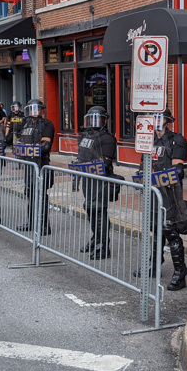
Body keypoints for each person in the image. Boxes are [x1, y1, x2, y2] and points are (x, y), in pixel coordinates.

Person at [149, 108, 187, 290]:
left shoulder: (177, 140)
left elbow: (178, 171)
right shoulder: (149, 140)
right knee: (154, 228)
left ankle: (180, 271)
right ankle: (153, 265)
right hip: (153, 191)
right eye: (155, 118)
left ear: (168, 121)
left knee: (170, 230)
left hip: (170, 193)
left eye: (160, 118)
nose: (158, 122)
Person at [75, 106, 117, 260]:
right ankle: (95, 239)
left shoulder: (107, 138)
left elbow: (105, 162)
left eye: (97, 119)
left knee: (99, 210)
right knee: (90, 208)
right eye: (91, 119)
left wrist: (89, 163)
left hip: (101, 179)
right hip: (88, 177)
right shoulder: (86, 136)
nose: (94, 122)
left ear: (104, 121)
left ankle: (103, 245)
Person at [16, 99, 55, 234]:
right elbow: (20, 141)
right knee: (30, 193)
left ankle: (44, 225)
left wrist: (29, 148)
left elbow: (46, 146)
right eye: (32, 109)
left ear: (41, 110)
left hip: (40, 163)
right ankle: (31, 222)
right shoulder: (25, 124)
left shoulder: (47, 124)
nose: (34, 112)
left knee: (40, 194)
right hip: (28, 164)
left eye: (37, 109)